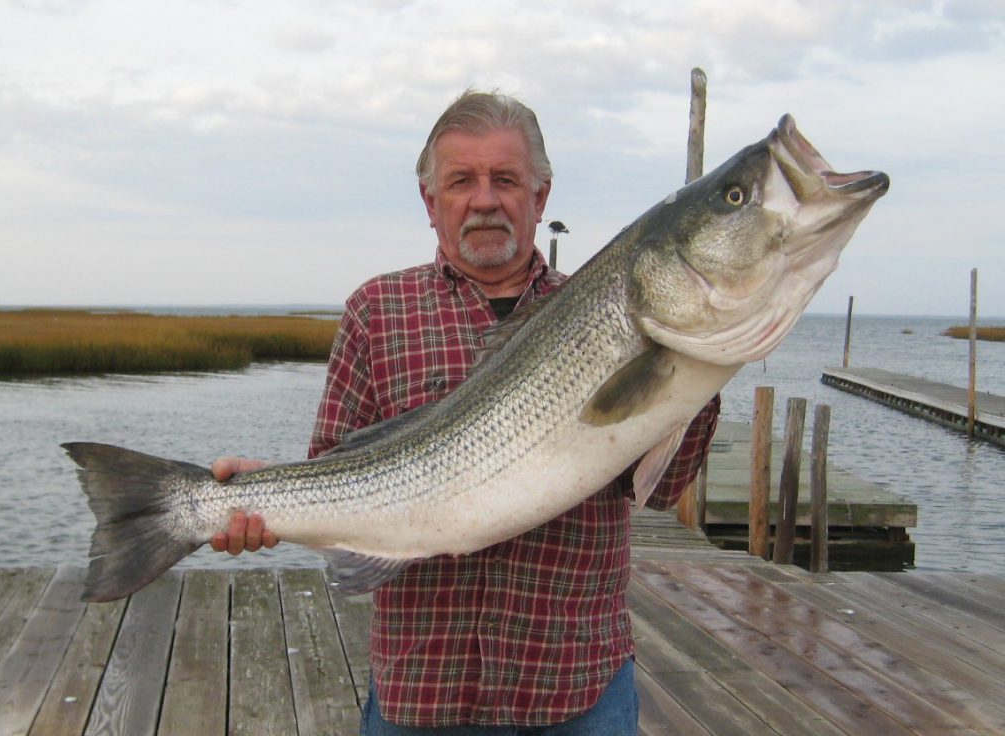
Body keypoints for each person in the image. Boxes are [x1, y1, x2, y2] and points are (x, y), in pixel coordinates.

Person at [211, 89, 720, 734]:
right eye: (461, 182)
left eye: (506, 179)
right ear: (431, 203)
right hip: (422, 690)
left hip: (574, 685)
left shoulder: (609, 317)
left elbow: (663, 487)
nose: (485, 199)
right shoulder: (376, 311)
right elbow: (334, 471)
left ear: (541, 197)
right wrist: (264, 498)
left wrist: (689, 368)